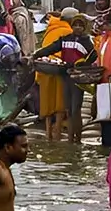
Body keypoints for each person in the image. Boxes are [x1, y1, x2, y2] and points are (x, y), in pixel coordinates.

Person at [33, 12, 98, 143]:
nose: (78, 28)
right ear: (72, 26)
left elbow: (93, 56)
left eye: (80, 25)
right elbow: (50, 49)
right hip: (65, 75)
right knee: (68, 109)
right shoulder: (65, 39)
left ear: (84, 27)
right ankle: (69, 139)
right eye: (75, 25)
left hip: (78, 79)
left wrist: (83, 64)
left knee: (76, 109)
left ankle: (77, 140)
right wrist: (35, 55)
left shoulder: (87, 42)